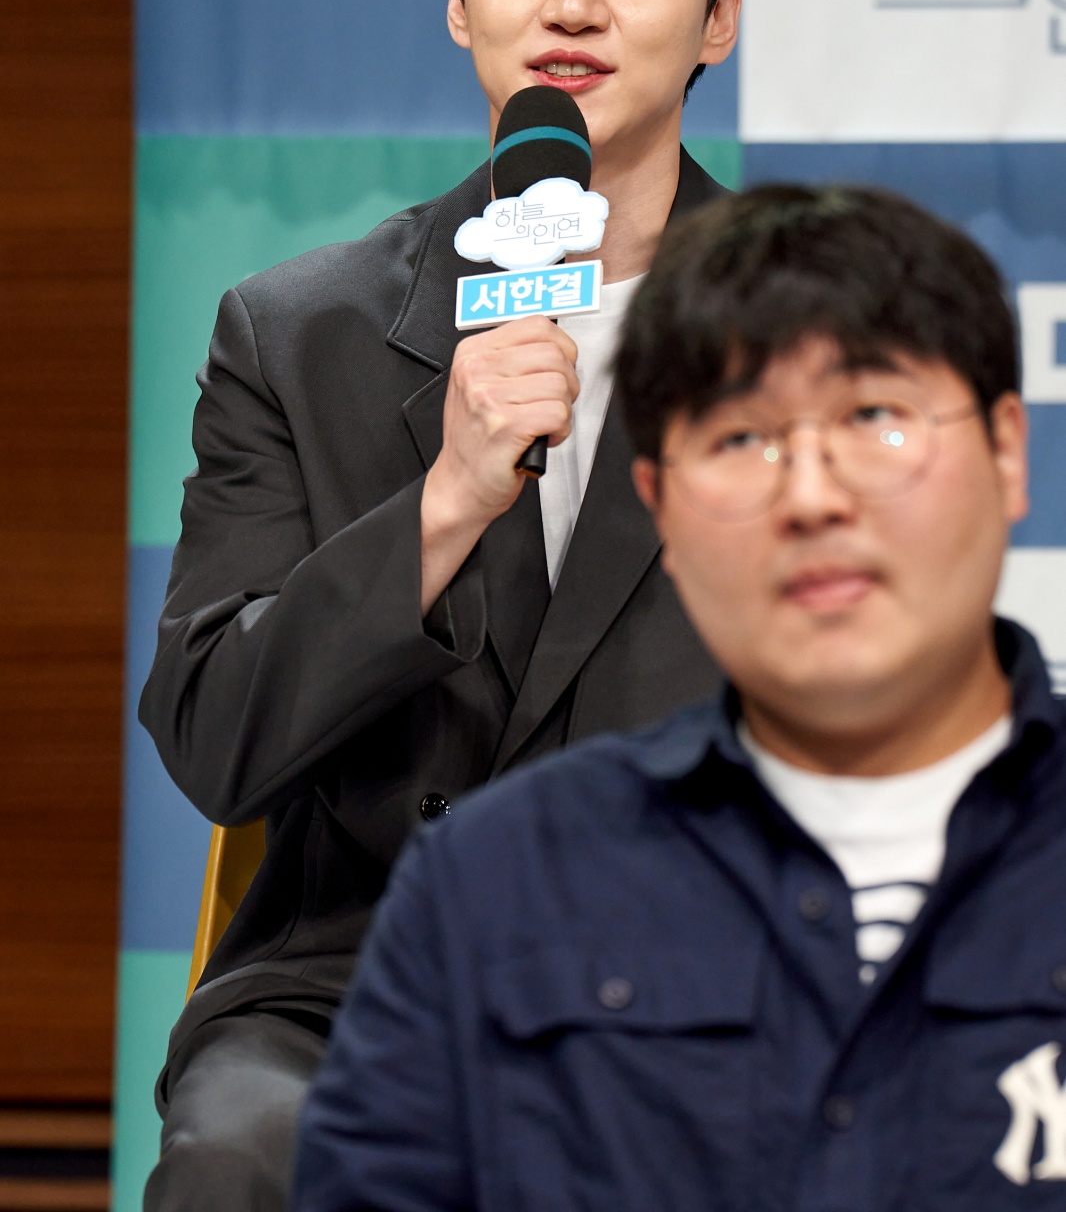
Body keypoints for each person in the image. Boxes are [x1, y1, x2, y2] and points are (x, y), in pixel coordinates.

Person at [139, 0, 764, 1210]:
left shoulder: (812, 327)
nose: (573, 4)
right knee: (239, 1157)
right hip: (354, 985)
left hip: (700, 985)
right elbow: (219, 738)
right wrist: (447, 501)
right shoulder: (297, 334)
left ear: (717, 16)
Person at [294, 183, 1066, 1212]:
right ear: (659, 504)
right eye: (740, 439)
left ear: (1007, 451)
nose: (811, 496)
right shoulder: (494, 888)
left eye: (874, 416)